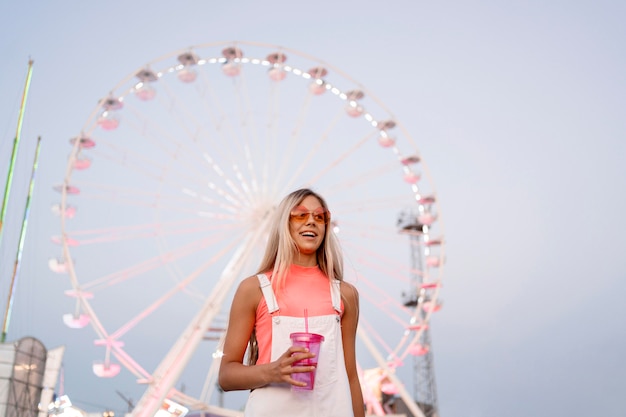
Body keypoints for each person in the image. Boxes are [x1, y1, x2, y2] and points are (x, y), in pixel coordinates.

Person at [218, 188, 365, 417]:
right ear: (284, 223)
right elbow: (226, 376)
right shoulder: (254, 289)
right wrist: (272, 372)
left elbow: (351, 377)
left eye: (320, 217)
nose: (311, 222)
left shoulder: (345, 295)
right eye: (300, 215)